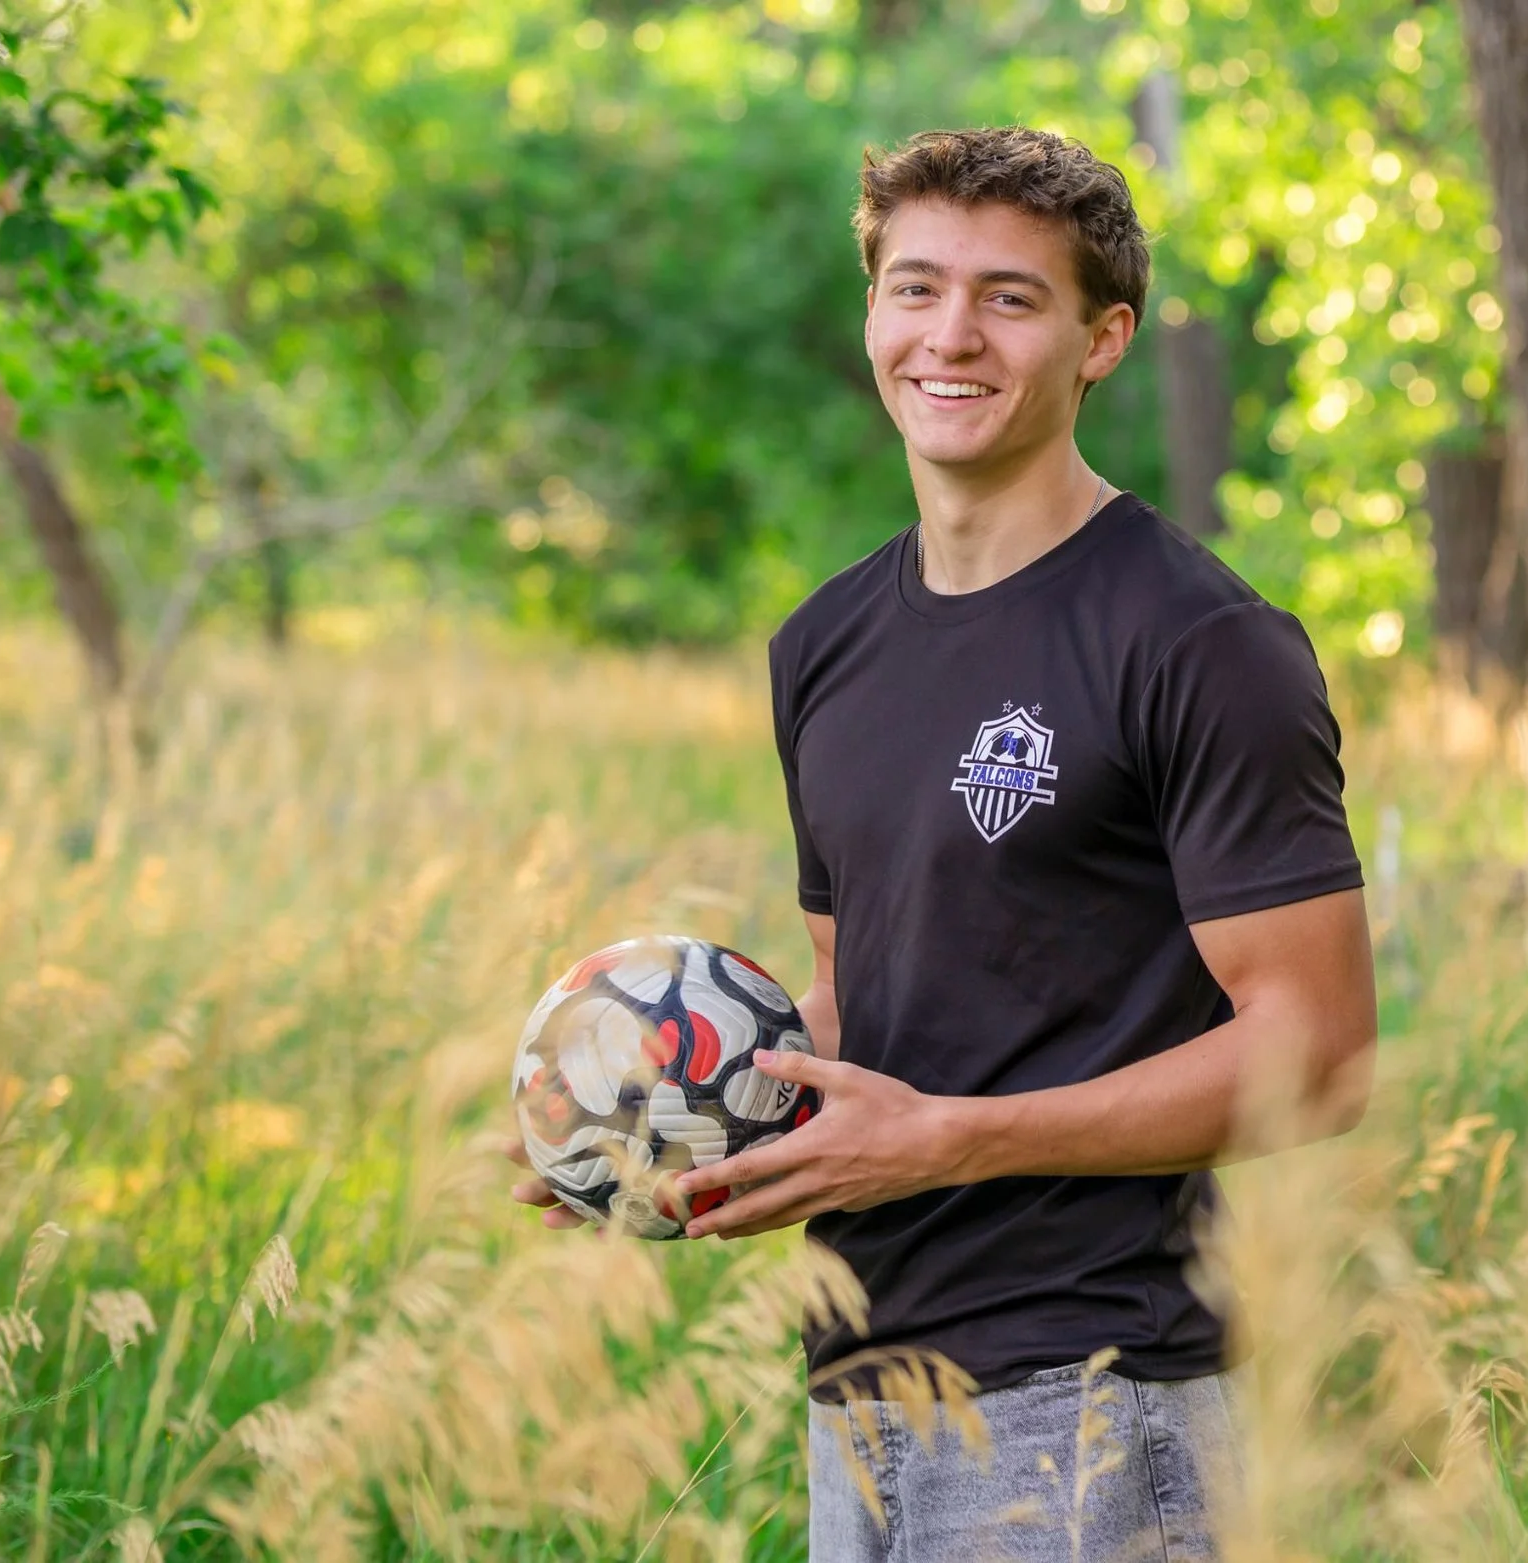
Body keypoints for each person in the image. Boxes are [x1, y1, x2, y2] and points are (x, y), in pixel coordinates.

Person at [514, 126, 1376, 1560]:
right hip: (862, 1382)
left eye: (1008, 298)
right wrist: (649, 1117)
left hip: (1099, 1395)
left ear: (1103, 339)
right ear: (870, 313)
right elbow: (874, 990)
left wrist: (949, 1143)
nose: (949, 335)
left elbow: (1324, 1053)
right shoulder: (825, 643)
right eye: (914, 289)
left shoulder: (1201, 643)